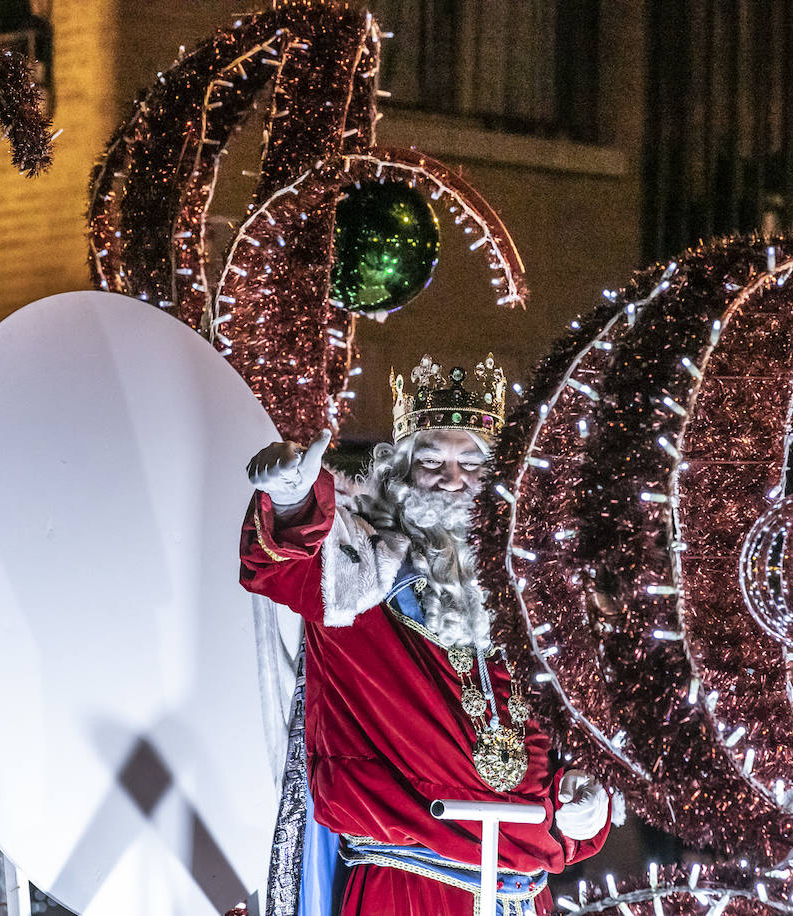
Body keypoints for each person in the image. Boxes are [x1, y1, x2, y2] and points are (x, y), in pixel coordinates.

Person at [240, 354, 612, 916]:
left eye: (472, 463)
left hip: (523, 892)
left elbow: (572, 742)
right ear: (400, 472)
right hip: (407, 884)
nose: (452, 479)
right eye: (431, 459)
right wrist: (293, 501)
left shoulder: (539, 599)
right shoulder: (359, 578)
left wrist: (583, 799)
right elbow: (289, 567)